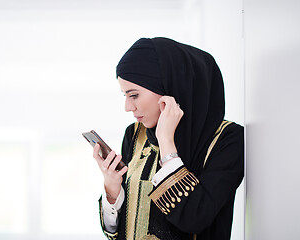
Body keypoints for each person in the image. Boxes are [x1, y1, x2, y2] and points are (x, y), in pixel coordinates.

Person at [92, 37, 244, 240]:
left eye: (134, 95)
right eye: (125, 96)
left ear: (168, 88)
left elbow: (194, 217)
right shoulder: (135, 135)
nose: (128, 107)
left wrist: (166, 141)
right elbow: (117, 233)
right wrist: (112, 189)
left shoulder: (227, 140)